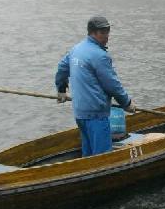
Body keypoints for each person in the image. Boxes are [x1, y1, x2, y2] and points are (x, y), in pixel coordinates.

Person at [55, 16, 136, 157]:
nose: (107, 36)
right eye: (102, 32)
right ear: (92, 32)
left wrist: (61, 90)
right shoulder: (99, 56)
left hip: (80, 112)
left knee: (88, 153)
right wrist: (126, 103)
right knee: (102, 157)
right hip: (96, 115)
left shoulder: (76, 49)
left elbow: (62, 68)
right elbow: (112, 85)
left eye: (108, 31)